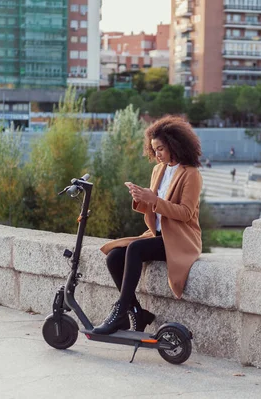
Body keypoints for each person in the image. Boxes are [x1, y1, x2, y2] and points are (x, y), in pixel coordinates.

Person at [95, 116, 203, 335]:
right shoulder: (158, 170)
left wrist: (153, 200)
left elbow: (185, 213)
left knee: (134, 249)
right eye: (154, 150)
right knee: (114, 256)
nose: (157, 155)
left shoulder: (191, 174)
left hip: (181, 239)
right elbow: (155, 208)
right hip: (158, 235)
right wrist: (141, 197)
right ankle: (137, 312)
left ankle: (120, 312)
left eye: (161, 149)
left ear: (175, 145)